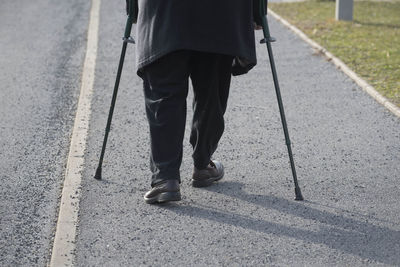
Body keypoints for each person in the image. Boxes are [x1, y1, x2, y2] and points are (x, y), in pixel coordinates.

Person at [135, 0, 260, 204]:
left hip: (164, 12)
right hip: (220, 11)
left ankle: (165, 178)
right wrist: (256, 11)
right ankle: (202, 165)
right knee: (211, 89)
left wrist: (132, 9)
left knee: (163, 94)